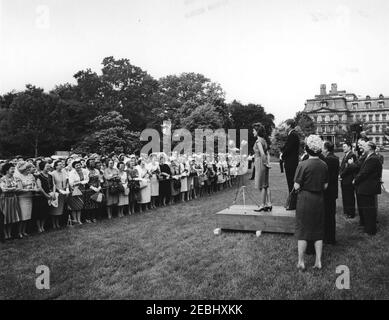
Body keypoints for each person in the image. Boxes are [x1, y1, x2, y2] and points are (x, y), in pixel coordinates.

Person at [294, 135, 328, 271]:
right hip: (319, 199)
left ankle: (301, 262)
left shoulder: (302, 165)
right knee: (318, 231)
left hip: (305, 200)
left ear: (307, 149)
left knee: (303, 231)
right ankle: (318, 261)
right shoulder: (324, 165)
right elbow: (325, 186)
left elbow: (296, 186)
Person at [353, 141, 382, 235]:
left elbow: (364, 173)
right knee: (366, 209)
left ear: (370, 148)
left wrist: (355, 180)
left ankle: (370, 230)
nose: (363, 147)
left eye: (365, 146)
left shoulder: (373, 158)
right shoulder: (369, 157)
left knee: (369, 210)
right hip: (366, 187)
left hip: (368, 188)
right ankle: (367, 227)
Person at [322, 141, 339, 245]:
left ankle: (329, 238)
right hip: (333, 190)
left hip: (328, 190)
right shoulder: (336, 158)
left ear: (326, 149)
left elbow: (326, 175)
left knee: (328, 214)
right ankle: (331, 237)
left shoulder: (327, 159)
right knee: (331, 214)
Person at [252, 123, 272, 212]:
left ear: (257, 131)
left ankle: (262, 205)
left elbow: (262, 153)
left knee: (262, 185)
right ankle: (269, 203)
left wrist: (264, 163)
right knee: (266, 185)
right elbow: (267, 153)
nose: (252, 132)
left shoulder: (258, 141)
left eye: (253, 130)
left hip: (260, 163)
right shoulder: (264, 140)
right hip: (263, 163)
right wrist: (268, 163)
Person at [15, 162, 37, 238]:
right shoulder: (18, 177)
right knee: (22, 216)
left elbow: (34, 184)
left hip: (29, 196)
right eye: (27, 168)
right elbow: (19, 189)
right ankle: (19, 232)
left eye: (29, 168)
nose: (28, 170)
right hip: (22, 198)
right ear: (23, 169)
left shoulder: (31, 176)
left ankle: (24, 231)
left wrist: (33, 187)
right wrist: (28, 187)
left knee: (27, 216)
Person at [0, 163, 21, 240]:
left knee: (12, 217)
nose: (13, 170)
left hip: (13, 199)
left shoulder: (15, 178)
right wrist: (13, 189)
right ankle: (5, 234)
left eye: (13, 169)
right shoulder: (2, 179)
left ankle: (10, 234)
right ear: (6, 170)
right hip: (5, 200)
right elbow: (4, 190)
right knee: (6, 217)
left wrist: (11, 189)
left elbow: (19, 188)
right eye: (11, 169)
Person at [34, 161, 55, 233]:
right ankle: (39, 227)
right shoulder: (38, 176)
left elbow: (53, 185)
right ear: (42, 167)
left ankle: (42, 226)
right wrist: (46, 195)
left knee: (45, 213)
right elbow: (40, 188)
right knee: (39, 213)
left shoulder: (50, 176)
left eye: (49, 166)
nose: (48, 167)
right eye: (47, 166)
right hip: (41, 196)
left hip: (49, 196)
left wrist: (53, 194)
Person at [280, 119, 300, 193]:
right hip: (291, 162)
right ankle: (292, 200)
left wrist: (282, 156)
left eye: (285, 124)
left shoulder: (293, 135)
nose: (284, 126)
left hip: (291, 163)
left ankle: (292, 202)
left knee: (291, 182)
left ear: (289, 125)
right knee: (291, 183)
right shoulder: (292, 134)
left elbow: (289, 149)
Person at [339, 141, 357, 219]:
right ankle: (346, 211)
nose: (343, 148)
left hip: (349, 179)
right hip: (344, 179)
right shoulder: (345, 155)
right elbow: (342, 167)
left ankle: (351, 213)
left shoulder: (352, 155)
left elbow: (349, 168)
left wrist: (341, 175)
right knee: (345, 195)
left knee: (349, 196)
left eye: (345, 146)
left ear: (349, 147)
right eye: (343, 146)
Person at [68, 161, 89, 225]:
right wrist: (80, 182)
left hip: (82, 189)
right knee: (74, 206)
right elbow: (71, 183)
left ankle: (79, 220)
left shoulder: (84, 171)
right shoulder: (72, 173)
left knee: (80, 205)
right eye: (77, 165)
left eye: (79, 165)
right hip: (74, 190)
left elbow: (87, 179)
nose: (78, 166)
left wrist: (82, 182)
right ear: (74, 166)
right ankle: (75, 220)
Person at [50, 160, 69, 229]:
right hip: (57, 193)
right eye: (59, 164)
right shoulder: (53, 173)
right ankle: (54, 223)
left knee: (60, 208)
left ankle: (58, 223)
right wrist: (59, 190)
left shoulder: (64, 172)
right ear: (55, 166)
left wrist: (66, 189)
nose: (61, 165)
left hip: (63, 192)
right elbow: (53, 184)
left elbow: (67, 181)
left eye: (61, 164)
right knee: (55, 208)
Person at [83, 159, 101, 223]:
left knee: (95, 204)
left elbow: (99, 179)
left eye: (93, 162)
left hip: (96, 189)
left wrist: (99, 187)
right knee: (89, 204)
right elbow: (85, 181)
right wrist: (92, 187)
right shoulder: (85, 171)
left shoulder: (96, 170)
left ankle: (93, 217)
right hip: (88, 189)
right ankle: (88, 217)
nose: (92, 163)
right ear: (88, 163)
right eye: (91, 162)